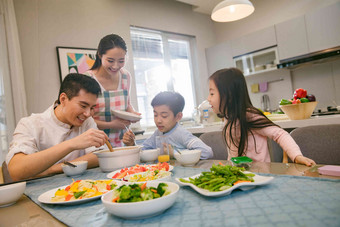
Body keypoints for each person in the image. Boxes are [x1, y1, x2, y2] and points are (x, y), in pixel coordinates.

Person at [6, 73, 108, 181]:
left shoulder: (86, 121)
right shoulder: (30, 124)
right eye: (83, 106)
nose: (88, 113)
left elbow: (98, 156)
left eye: (92, 108)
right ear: (63, 99)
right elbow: (16, 170)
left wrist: (52, 169)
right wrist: (71, 144)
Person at [207, 68, 316, 166]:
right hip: (242, 176)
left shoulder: (249, 115)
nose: (208, 98)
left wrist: (297, 156)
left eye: (212, 94)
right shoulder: (229, 119)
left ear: (229, 96)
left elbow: (280, 134)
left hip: (261, 175)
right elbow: (234, 156)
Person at [85, 34, 140, 147]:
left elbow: (127, 104)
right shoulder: (87, 79)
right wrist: (111, 124)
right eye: (110, 60)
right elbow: (84, 120)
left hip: (122, 142)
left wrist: (132, 114)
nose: (115, 66)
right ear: (100, 55)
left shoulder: (126, 76)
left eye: (121, 61)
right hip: (96, 144)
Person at [123, 91, 213, 159]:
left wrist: (175, 153)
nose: (158, 120)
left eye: (164, 116)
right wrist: (132, 144)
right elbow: (143, 152)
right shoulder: (158, 133)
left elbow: (207, 152)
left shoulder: (181, 133)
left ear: (178, 116)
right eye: (155, 115)